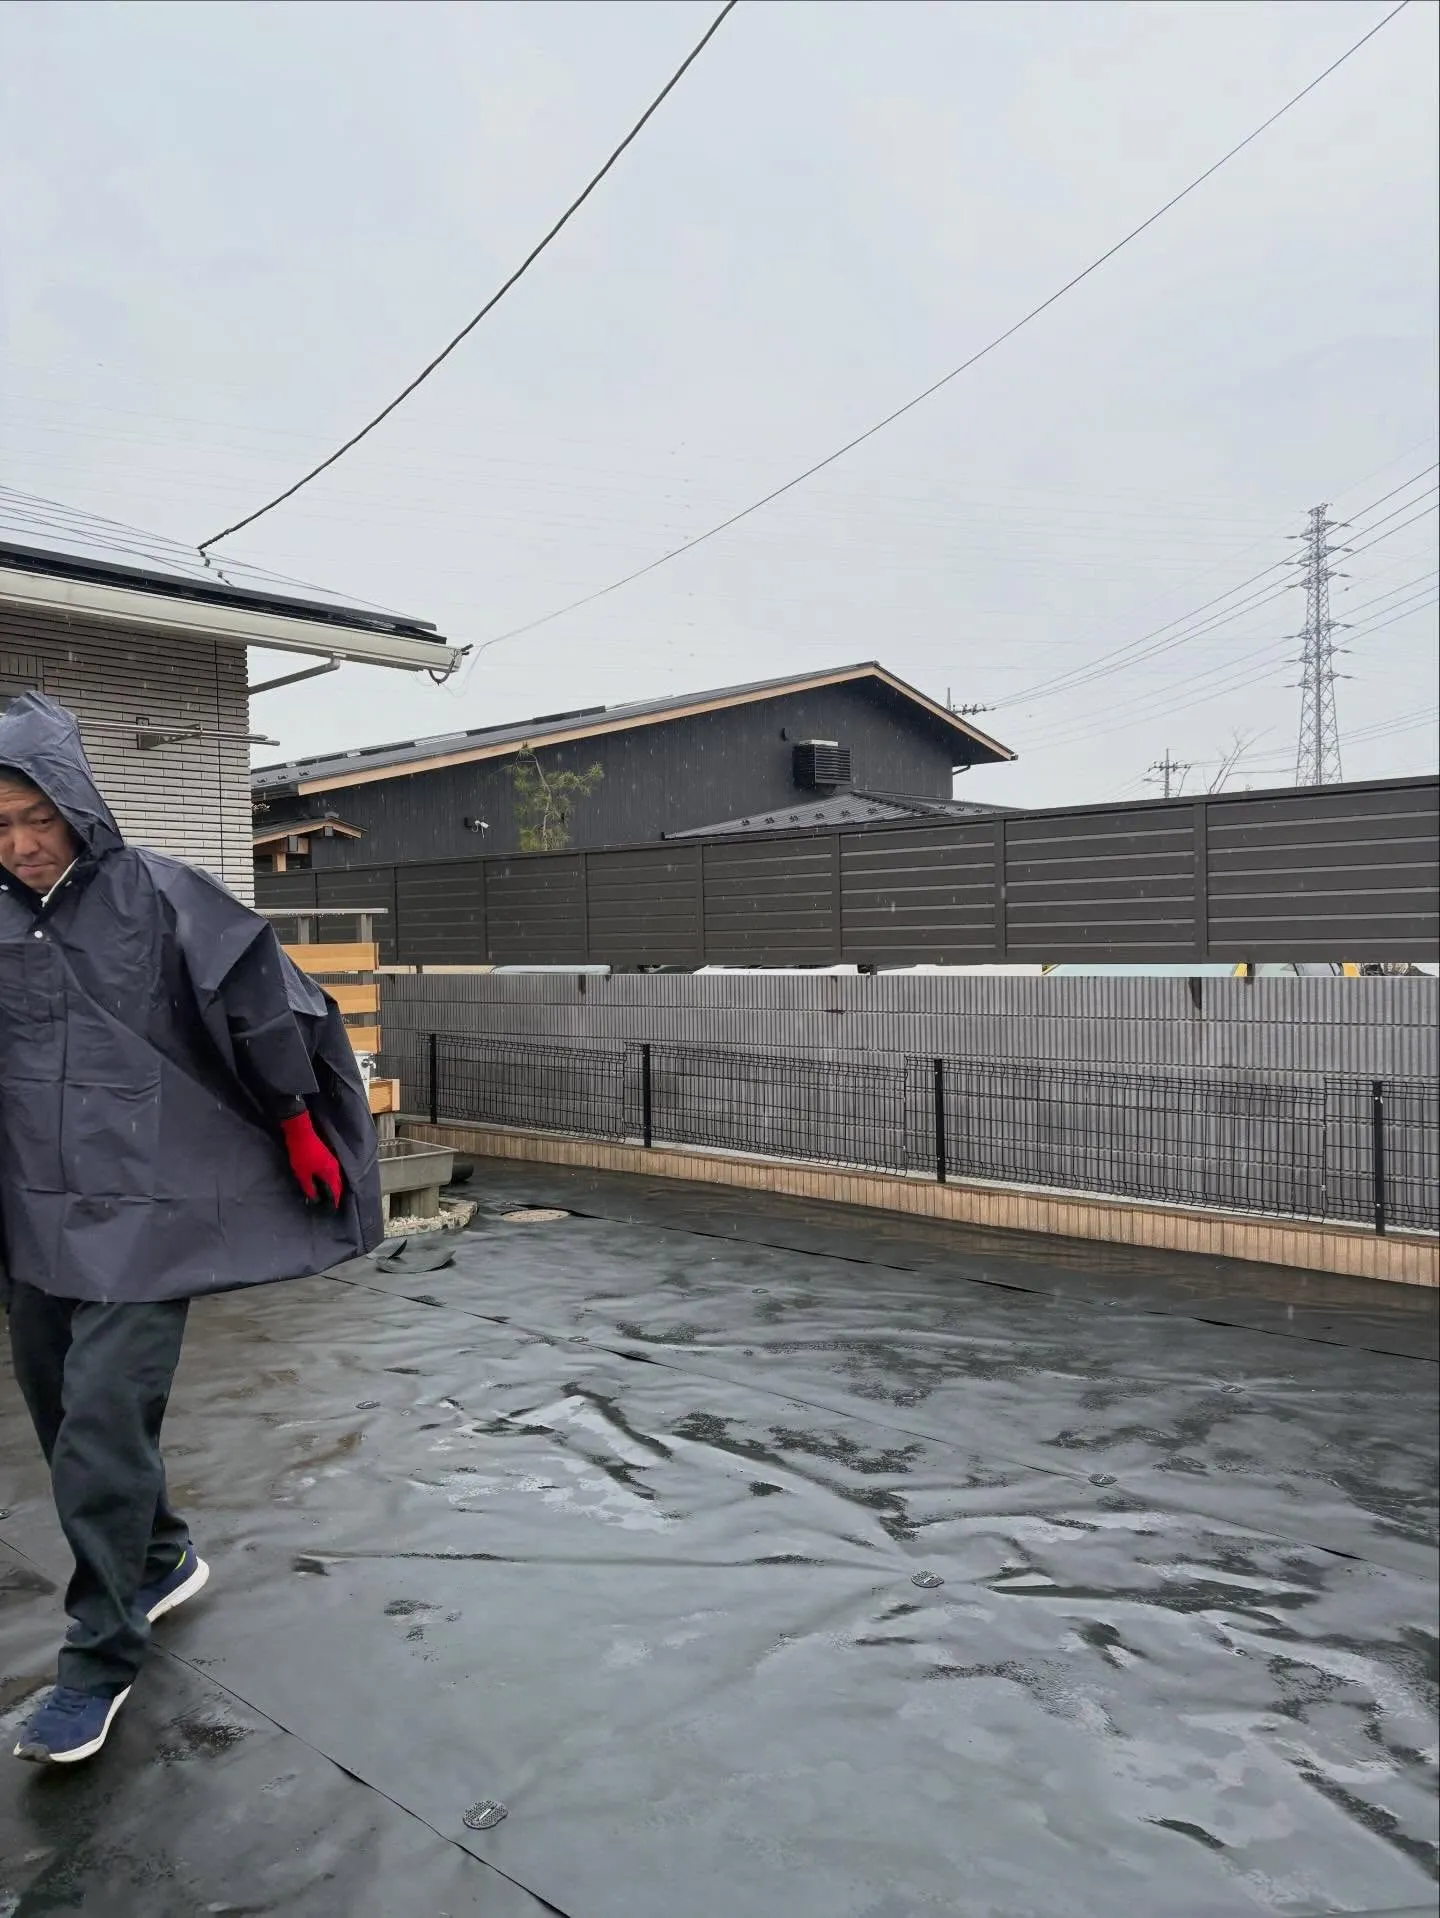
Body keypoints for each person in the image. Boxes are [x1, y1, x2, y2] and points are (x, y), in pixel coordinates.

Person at [0, 692, 381, 1765]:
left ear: (77, 804)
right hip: (33, 1210)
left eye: (39, 815)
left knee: (101, 1425)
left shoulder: (157, 891)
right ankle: (162, 1556)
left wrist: (298, 1119)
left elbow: (261, 998)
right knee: (62, 1409)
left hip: (146, 1210)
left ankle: (97, 1657)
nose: (24, 844)